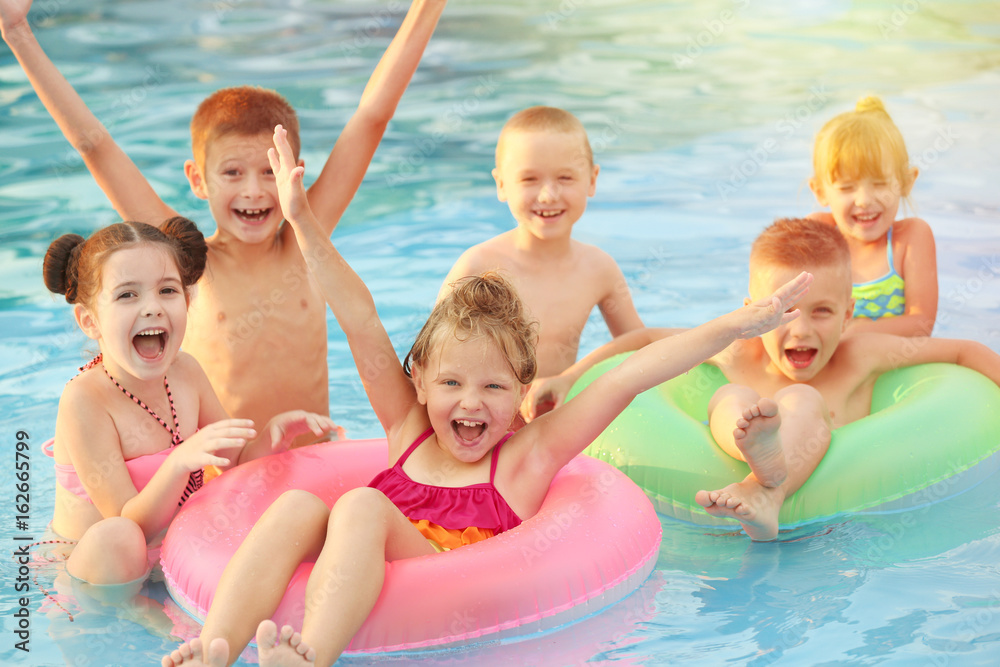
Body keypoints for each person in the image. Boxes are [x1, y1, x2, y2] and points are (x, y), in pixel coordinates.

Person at [157, 126, 811, 667]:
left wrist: (738, 323)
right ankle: (216, 649)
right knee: (300, 502)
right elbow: (357, 314)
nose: (470, 404)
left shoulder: (526, 458)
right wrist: (300, 218)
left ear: (522, 391)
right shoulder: (407, 427)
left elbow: (629, 374)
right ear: (418, 380)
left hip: (453, 598)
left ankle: (313, 657)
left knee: (356, 504)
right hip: (368, 553)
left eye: (494, 387)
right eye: (450, 384)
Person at [1, 0, 446, 441]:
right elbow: (95, 147)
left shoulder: (306, 239)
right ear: (198, 180)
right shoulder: (184, 263)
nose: (253, 190)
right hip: (225, 479)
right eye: (232, 172)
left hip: (315, 465)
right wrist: (17, 31)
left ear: (294, 172)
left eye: (270, 171)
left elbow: (372, 117)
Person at [524, 218, 1000, 542]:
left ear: (849, 313)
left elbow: (963, 351)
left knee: (802, 399)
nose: (801, 329)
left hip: (839, 528)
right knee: (730, 397)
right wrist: (570, 376)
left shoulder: (860, 354)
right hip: (742, 525)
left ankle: (768, 483)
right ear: (753, 311)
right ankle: (762, 464)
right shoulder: (734, 350)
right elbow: (644, 339)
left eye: (823, 312)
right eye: (782, 311)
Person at [41, 218, 338, 587]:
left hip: (175, 555)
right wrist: (180, 461)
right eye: (127, 295)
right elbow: (130, 523)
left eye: (167, 290)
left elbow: (236, 462)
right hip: (94, 574)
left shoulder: (186, 372)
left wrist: (272, 438)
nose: (152, 307)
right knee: (116, 536)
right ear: (90, 321)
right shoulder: (84, 400)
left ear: (187, 299)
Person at [438, 106, 644, 418]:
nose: (548, 195)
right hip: (485, 424)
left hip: (555, 420)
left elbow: (638, 347)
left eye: (565, 177)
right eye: (530, 179)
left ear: (592, 179)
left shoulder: (598, 268)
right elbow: (433, 362)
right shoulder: (478, 267)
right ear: (502, 185)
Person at [808, 95, 937, 336]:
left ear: (906, 182)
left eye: (879, 184)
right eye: (846, 187)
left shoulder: (910, 240)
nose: (865, 200)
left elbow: (921, 324)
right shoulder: (817, 235)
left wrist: (856, 332)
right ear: (820, 191)